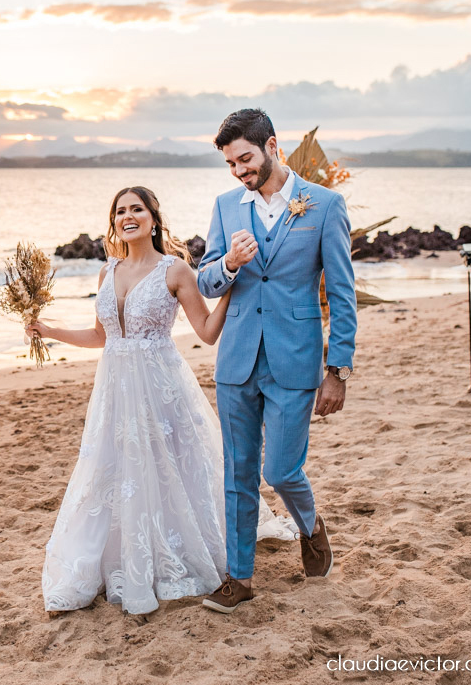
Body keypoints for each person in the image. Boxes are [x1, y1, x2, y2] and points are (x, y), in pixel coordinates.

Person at [30, 187, 293, 615]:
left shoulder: (175, 271)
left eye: (136, 209)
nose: (127, 216)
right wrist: (50, 329)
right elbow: (101, 336)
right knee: (111, 468)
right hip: (114, 387)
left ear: (153, 218)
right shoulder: (107, 271)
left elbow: (206, 332)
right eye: (120, 211)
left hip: (160, 386)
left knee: (171, 464)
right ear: (113, 221)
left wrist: (233, 284)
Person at [197, 108, 357, 614]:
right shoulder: (226, 206)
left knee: (282, 470)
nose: (240, 171)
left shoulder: (325, 205)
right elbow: (204, 280)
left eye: (245, 158)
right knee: (238, 472)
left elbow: (343, 292)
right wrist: (228, 264)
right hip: (237, 360)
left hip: (296, 358)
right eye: (230, 164)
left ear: (271, 146)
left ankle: (309, 526)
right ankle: (239, 578)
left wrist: (338, 370)